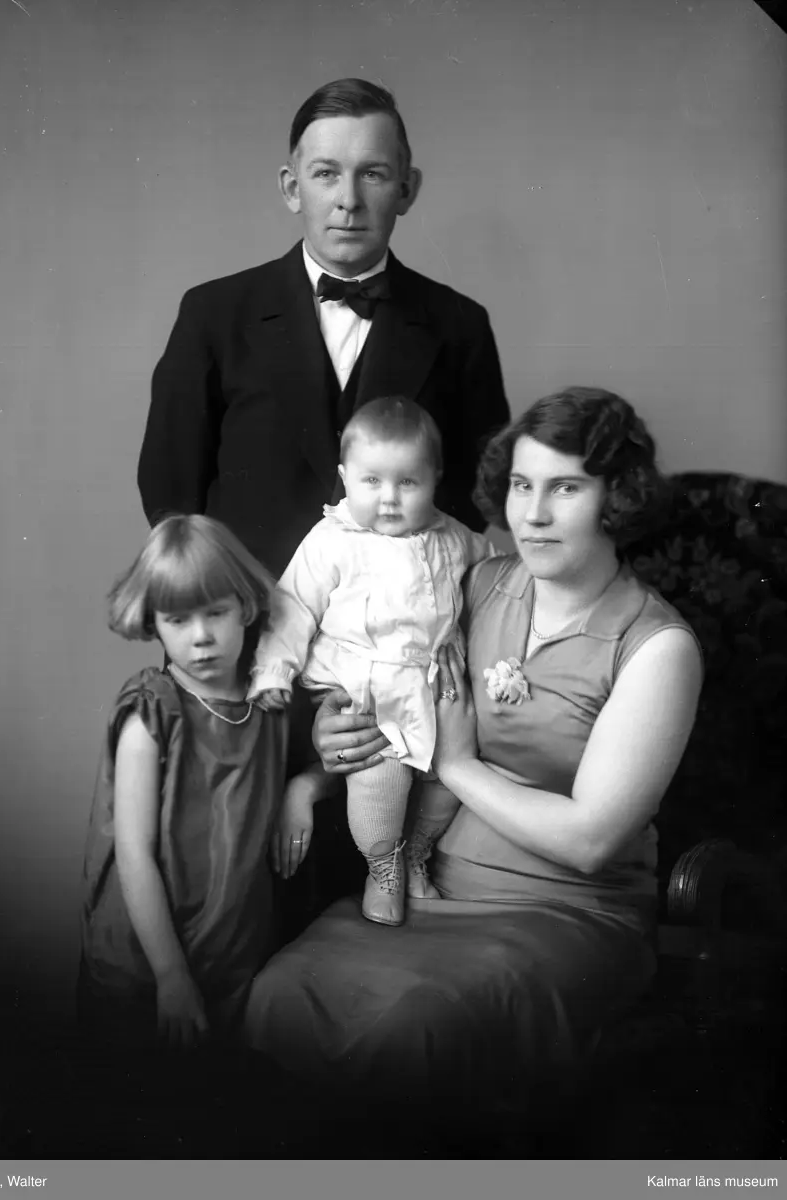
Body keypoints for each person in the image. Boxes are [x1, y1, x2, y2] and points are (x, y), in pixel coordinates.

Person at [243, 387, 704, 1151]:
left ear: (617, 498)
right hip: (435, 887)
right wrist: (332, 737)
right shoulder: (477, 581)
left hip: (566, 913)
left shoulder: (657, 647)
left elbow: (591, 840)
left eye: (565, 488)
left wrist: (456, 766)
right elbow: (381, 668)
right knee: (279, 992)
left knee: (414, 1029)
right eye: (522, 485)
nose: (534, 514)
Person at [137, 78, 509, 579]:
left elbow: (478, 493)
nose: (348, 200)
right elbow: (171, 487)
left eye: (372, 174)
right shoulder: (213, 313)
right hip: (249, 609)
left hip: (402, 618)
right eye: (326, 174)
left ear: (406, 189)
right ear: (293, 188)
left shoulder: (460, 325)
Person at [76, 515, 326, 1056]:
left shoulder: (270, 699)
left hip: (234, 951)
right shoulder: (152, 713)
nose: (202, 637)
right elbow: (134, 855)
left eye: (216, 612)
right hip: (147, 963)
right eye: (178, 619)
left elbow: (336, 759)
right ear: (153, 623)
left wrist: (302, 789)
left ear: (245, 606)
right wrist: (170, 975)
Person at [249, 397, 494, 927]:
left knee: (449, 781)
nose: (389, 498)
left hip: (437, 688)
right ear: (344, 478)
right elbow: (292, 608)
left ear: (435, 478)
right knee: (379, 788)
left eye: (408, 482)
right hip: (366, 693)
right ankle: (382, 867)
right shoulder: (332, 541)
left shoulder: (455, 539)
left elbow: (500, 580)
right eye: (371, 481)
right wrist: (273, 671)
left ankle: (415, 854)